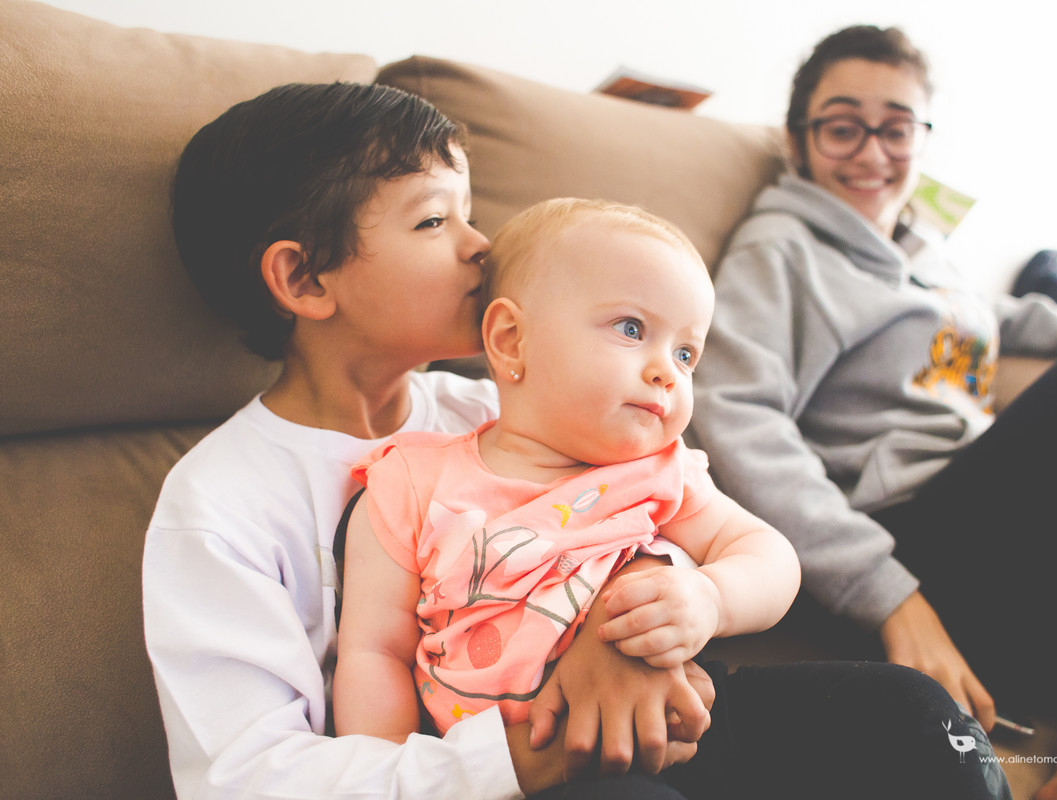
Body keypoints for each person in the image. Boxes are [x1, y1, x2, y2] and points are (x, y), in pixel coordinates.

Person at [334, 197, 1012, 800]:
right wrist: (397, 772)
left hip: (695, 721)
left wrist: (710, 598)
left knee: (914, 713)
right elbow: (374, 654)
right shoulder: (412, 481)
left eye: (687, 354)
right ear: (511, 341)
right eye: (631, 328)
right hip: (535, 771)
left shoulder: (666, 471)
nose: (667, 370)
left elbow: (767, 553)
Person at [145, 82, 711, 800]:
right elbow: (248, 777)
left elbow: (663, 507)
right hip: (500, 773)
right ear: (305, 277)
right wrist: (532, 754)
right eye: (435, 221)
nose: (482, 247)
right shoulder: (220, 504)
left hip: (631, 728)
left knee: (889, 709)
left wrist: (622, 622)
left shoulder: (499, 412)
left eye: (469, 216)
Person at [686, 24, 1057, 800]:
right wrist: (891, 593)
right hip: (918, 534)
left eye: (895, 127)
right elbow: (737, 417)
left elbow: (1004, 316)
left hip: (1006, 518)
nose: (870, 151)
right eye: (842, 124)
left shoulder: (927, 257)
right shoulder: (782, 249)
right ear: (800, 139)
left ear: (921, 140)